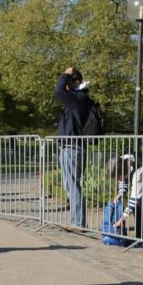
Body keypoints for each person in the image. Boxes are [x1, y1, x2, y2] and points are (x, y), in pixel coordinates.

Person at [55, 67, 92, 227]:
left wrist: (65, 74)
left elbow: (58, 91)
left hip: (73, 147)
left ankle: (78, 223)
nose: (66, 84)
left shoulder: (78, 97)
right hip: (70, 147)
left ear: (76, 82)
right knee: (69, 184)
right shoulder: (78, 98)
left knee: (72, 185)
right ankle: (76, 221)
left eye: (69, 80)